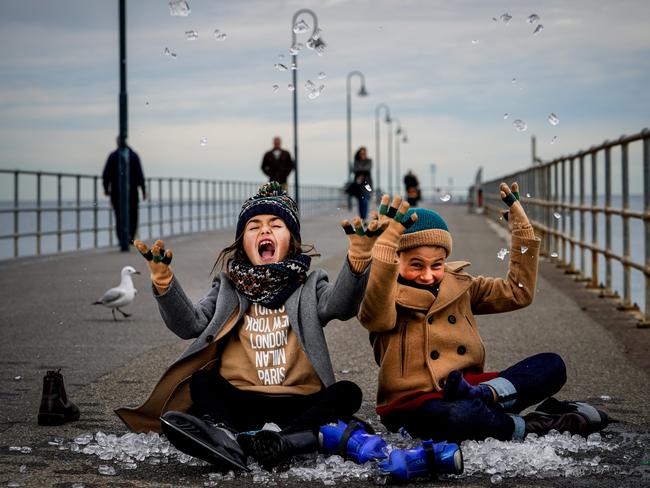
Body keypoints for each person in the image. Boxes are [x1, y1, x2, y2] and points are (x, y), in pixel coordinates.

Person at [116, 183, 457, 476]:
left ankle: (264, 439)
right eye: (254, 226)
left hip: (299, 401)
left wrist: (358, 257)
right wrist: (164, 283)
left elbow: (340, 306)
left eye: (275, 225)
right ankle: (256, 436)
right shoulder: (228, 286)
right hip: (242, 399)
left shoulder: (310, 283)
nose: (264, 230)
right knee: (203, 384)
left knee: (347, 394)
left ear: (291, 240)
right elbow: (189, 324)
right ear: (242, 243)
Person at [358, 183, 609, 445]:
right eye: (416, 265)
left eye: (437, 265)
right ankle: (531, 425)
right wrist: (384, 248)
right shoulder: (384, 294)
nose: (428, 274)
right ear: (397, 260)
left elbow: (517, 293)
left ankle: (486, 398)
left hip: (472, 386)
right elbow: (375, 317)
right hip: (414, 402)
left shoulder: (461, 286)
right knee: (456, 415)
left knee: (552, 365)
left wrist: (522, 231)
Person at [102, 138, 147, 245]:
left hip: (117, 192)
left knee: (119, 215)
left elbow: (106, 174)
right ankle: (129, 237)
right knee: (133, 215)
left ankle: (122, 238)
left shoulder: (113, 156)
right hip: (132, 191)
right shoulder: (134, 156)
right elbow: (140, 174)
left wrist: (106, 188)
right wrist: (143, 190)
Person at [348, 146, 373, 221]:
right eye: (361, 153)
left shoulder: (369, 161)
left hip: (367, 184)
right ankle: (362, 218)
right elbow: (354, 170)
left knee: (365, 201)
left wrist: (359, 170)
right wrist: (361, 170)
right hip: (358, 185)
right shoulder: (356, 161)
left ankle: (364, 218)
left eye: (364, 153)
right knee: (360, 202)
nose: (363, 155)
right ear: (359, 154)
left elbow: (367, 168)